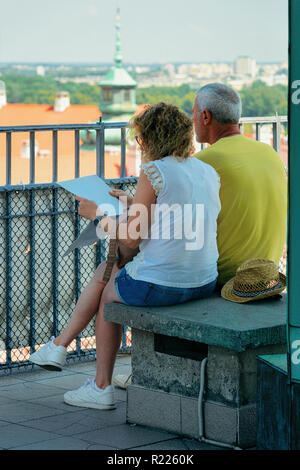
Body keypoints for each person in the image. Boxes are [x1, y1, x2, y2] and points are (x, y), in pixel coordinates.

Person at [29, 102, 221, 409]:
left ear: (150, 138)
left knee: (108, 293)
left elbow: (132, 236)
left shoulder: (154, 169)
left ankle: (100, 385)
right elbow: (175, 213)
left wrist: (98, 214)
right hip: (205, 280)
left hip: (164, 285)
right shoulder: (206, 171)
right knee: (109, 269)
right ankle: (57, 347)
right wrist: (132, 201)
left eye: (140, 138)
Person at [192, 83, 287, 287]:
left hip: (224, 279)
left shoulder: (203, 161)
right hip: (266, 274)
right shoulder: (270, 154)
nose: (192, 120)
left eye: (193, 113)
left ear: (205, 117)